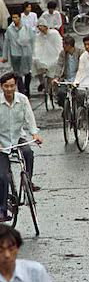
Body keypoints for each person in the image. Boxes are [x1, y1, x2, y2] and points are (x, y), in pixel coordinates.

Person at [0, 71, 42, 210]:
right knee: (2, 176)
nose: (9, 89)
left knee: (28, 153)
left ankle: (27, 182)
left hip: (18, 137)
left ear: (16, 85)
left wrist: (35, 135)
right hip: (2, 141)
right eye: (6, 86)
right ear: (1, 87)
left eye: (12, 86)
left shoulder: (22, 99)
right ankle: (2, 209)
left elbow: (30, 119)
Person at [1, 13, 34, 96]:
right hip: (15, 54)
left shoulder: (26, 28)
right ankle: (22, 91)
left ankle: (27, 89)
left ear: (19, 18)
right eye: (13, 17)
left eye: (16, 17)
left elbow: (32, 40)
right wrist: (5, 56)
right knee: (17, 74)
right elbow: (6, 43)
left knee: (28, 72)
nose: (14, 19)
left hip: (26, 53)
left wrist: (34, 52)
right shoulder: (9, 29)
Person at [54, 35, 83, 107]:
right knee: (61, 93)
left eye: (64, 45)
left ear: (69, 45)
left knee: (79, 95)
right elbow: (59, 65)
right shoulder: (63, 53)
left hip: (78, 79)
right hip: (66, 79)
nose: (63, 46)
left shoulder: (80, 53)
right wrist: (56, 78)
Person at [33, 19, 61, 93]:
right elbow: (37, 47)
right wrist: (36, 56)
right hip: (43, 56)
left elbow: (59, 45)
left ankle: (52, 87)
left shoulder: (54, 34)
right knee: (35, 63)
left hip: (54, 56)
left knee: (53, 68)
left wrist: (59, 55)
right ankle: (42, 82)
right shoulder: (38, 36)